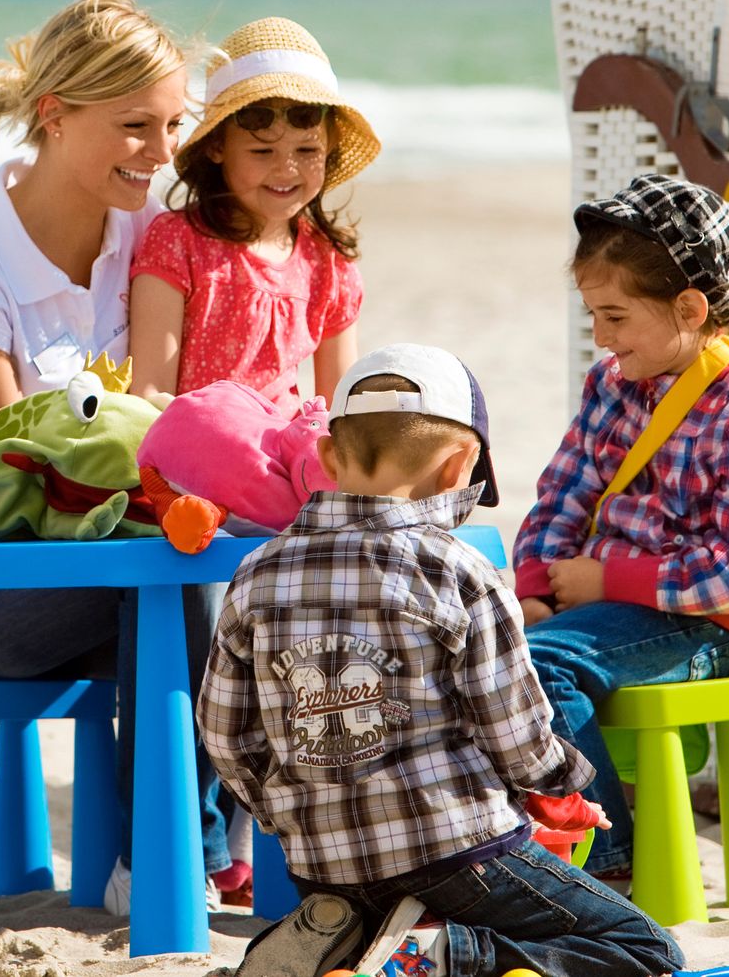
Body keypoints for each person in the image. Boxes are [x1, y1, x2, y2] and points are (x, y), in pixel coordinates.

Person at [0, 0, 240, 913]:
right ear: (55, 114)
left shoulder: (148, 243)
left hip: (111, 579)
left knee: (262, 576)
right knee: (181, 578)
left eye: (173, 125)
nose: (163, 153)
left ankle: (232, 843)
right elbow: (10, 485)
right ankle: (170, 857)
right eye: (135, 126)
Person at [200, 345, 684, 977]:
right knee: (646, 948)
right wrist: (564, 781)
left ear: (324, 458)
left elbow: (225, 735)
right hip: (457, 854)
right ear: (461, 468)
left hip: (322, 867)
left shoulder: (255, 574)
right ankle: (449, 953)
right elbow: (514, 731)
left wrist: (286, 809)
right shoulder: (456, 570)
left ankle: (346, 940)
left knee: (392, 904)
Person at [512, 173, 729, 883]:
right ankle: (528, 841)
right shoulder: (614, 386)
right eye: (593, 316)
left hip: (707, 626)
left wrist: (608, 577)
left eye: (614, 317)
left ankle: (604, 857)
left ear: (689, 307)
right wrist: (534, 586)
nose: (600, 337)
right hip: (600, 608)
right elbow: (563, 493)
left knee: (538, 666)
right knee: (487, 650)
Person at [127, 17, 372, 414]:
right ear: (217, 147)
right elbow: (151, 394)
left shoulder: (329, 265)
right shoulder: (177, 242)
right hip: (189, 455)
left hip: (285, 461)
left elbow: (339, 410)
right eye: (262, 152)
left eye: (307, 151)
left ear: (329, 149)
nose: (286, 169)